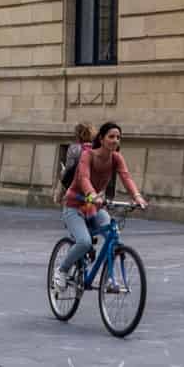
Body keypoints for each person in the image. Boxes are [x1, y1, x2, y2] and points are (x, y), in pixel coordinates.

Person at [56, 120, 147, 291]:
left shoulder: (117, 158)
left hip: (94, 207)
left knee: (114, 238)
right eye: (111, 136)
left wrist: (137, 197)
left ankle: (110, 279)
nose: (115, 140)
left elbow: (126, 177)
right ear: (102, 139)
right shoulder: (88, 155)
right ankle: (62, 270)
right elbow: (83, 178)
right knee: (84, 242)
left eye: (118, 137)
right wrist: (91, 194)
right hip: (74, 205)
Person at [55, 123, 95, 205]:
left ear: (77, 135)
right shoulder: (96, 148)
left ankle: (58, 199)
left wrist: (63, 172)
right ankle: (89, 201)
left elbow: (69, 168)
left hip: (77, 183)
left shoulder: (74, 148)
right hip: (93, 184)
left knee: (63, 174)